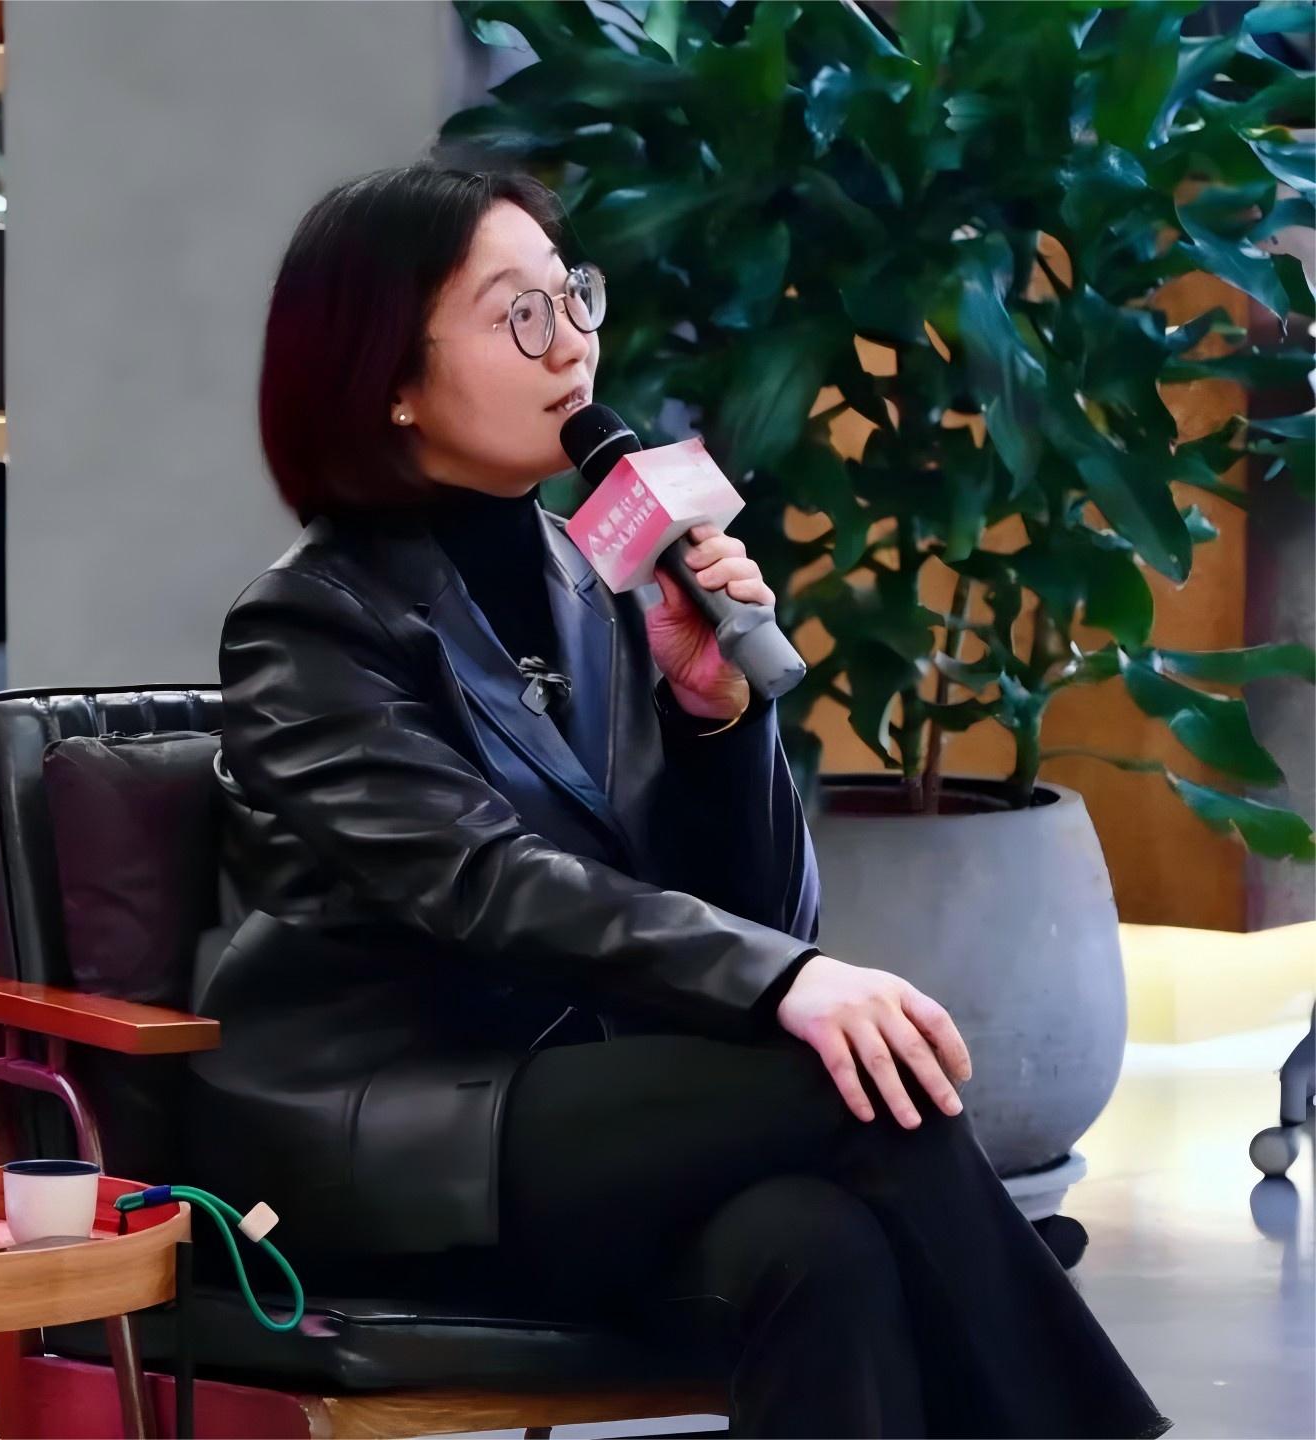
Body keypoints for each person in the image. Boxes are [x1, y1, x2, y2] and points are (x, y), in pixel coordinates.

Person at [187, 164, 1169, 1438]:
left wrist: (719, 720)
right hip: (380, 1136)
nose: (572, 343)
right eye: (517, 313)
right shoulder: (307, 627)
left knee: (818, 1248)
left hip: (589, 1123)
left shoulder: (589, 582)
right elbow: (484, 883)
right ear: (390, 380)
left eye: (572, 296)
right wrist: (787, 985)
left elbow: (762, 915)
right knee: (843, 1077)